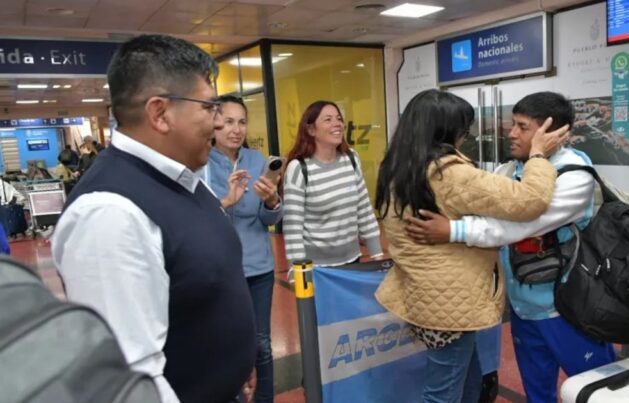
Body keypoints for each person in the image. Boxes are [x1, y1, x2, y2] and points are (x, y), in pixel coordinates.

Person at [51, 34, 256, 403]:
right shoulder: (109, 214)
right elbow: (128, 377)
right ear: (160, 113)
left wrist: (236, 362)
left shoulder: (183, 180)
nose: (218, 124)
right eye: (209, 109)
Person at [404, 92, 617, 403]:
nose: (512, 133)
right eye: (512, 124)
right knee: (537, 392)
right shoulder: (508, 171)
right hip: (523, 306)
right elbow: (483, 210)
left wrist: (453, 230)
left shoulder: (575, 175)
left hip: (568, 306)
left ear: (554, 133)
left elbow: (522, 224)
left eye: (523, 126)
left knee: (598, 392)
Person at [373, 89, 569, 403]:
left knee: (465, 381)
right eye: (465, 129)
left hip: (425, 292)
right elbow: (530, 200)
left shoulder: (399, 165)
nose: (466, 137)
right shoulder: (448, 173)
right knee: (443, 393)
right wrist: (537, 157)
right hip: (448, 301)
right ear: (446, 130)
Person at [205, 94, 283, 403]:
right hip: (219, 271)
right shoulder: (200, 162)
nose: (235, 130)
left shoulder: (257, 161)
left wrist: (272, 201)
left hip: (258, 268)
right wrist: (226, 202)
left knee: (261, 344)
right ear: (213, 124)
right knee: (224, 344)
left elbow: (269, 219)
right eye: (226, 122)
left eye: (241, 122)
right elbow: (195, 218)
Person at [282, 100, 383, 267]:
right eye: (327, 120)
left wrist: (377, 255)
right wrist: (298, 274)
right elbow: (293, 229)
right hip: (318, 268)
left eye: (338, 118)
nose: (337, 124)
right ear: (311, 129)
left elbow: (364, 210)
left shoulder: (351, 158)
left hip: (353, 260)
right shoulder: (299, 168)